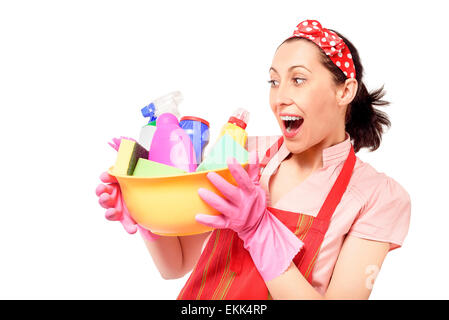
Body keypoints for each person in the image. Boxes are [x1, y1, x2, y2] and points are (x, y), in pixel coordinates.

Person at [95, 19, 411, 300]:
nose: (280, 97)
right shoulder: (241, 156)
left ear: (345, 92)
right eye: (274, 81)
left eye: (298, 80)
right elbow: (176, 265)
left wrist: (257, 230)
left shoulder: (377, 197)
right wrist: (145, 208)